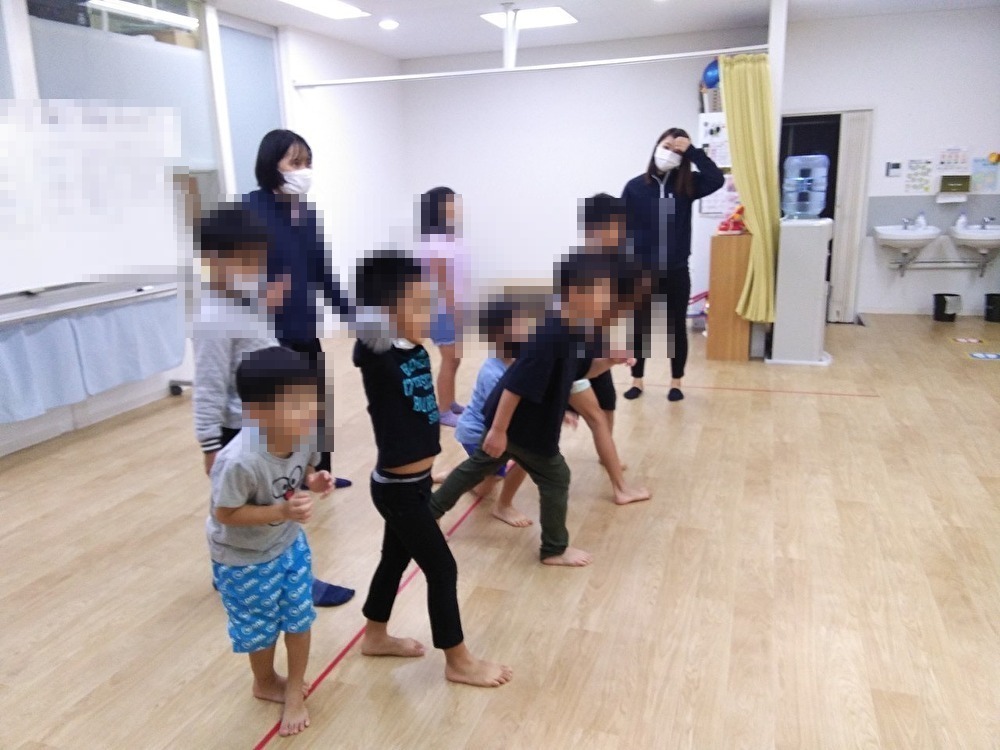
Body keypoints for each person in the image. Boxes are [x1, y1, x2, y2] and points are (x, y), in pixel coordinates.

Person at [352, 249, 512, 688]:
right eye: (420, 305)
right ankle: (458, 661)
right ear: (386, 311)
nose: (431, 313)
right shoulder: (377, 352)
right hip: (397, 489)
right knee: (442, 569)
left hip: (417, 483)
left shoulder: (416, 350)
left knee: (393, 559)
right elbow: (367, 328)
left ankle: (374, 635)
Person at [192, 204, 354, 608]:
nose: (255, 269)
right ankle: (253, 571)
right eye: (246, 261)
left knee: (282, 501)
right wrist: (210, 445)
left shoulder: (245, 302)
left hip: (268, 423)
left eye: (258, 260)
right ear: (213, 260)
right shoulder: (214, 318)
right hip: (241, 429)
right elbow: (208, 387)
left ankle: (265, 570)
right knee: (258, 507)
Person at [430, 253, 628, 567]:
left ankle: (430, 512)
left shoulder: (572, 331)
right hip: (524, 428)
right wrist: (498, 430)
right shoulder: (551, 335)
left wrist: (609, 362)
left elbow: (578, 372)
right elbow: (514, 386)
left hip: (518, 425)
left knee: (476, 468)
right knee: (557, 477)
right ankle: (554, 549)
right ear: (575, 293)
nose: (607, 301)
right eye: (602, 292)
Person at [207, 346, 336, 737]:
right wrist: (280, 511)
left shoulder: (305, 435)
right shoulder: (238, 461)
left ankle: (294, 690)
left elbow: (306, 469)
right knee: (259, 629)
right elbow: (225, 513)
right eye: (295, 404)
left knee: (299, 617)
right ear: (258, 414)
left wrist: (315, 481)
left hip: (289, 545)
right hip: (242, 558)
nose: (309, 411)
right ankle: (264, 682)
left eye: (310, 400)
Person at [245, 129, 352, 485]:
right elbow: (231, 275)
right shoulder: (249, 210)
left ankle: (322, 475)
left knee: (318, 404)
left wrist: (353, 316)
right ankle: (281, 482)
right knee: (280, 414)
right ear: (271, 164)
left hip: (303, 326)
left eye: (307, 162)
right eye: (295, 162)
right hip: (267, 334)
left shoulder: (304, 213)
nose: (304, 170)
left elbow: (322, 271)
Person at [621, 128, 724, 402]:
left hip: (676, 270)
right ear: (656, 147)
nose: (669, 154)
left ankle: (676, 382)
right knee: (639, 328)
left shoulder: (686, 185)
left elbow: (716, 179)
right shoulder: (635, 187)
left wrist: (692, 151)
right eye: (666, 147)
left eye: (676, 151)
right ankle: (637, 380)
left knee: (676, 328)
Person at [568, 195, 651, 506]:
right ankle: (621, 489)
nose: (622, 231)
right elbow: (578, 318)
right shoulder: (579, 266)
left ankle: (608, 457)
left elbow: (611, 312)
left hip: (591, 349)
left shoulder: (614, 263)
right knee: (592, 418)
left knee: (606, 405)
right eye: (617, 225)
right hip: (573, 355)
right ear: (596, 228)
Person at [450, 298, 531, 527]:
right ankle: (497, 502)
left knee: (525, 457)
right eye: (516, 326)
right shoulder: (492, 373)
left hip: (492, 431)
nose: (524, 332)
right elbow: (502, 414)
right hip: (476, 433)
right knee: (486, 486)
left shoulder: (519, 358)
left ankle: (462, 473)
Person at [419, 187, 471, 428]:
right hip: (441, 310)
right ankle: (443, 411)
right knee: (450, 359)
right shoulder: (434, 242)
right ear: (438, 208)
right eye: (451, 202)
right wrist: (454, 310)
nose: (456, 207)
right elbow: (442, 282)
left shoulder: (450, 239)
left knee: (455, 359)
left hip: (451, 308)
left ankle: (450, 403)